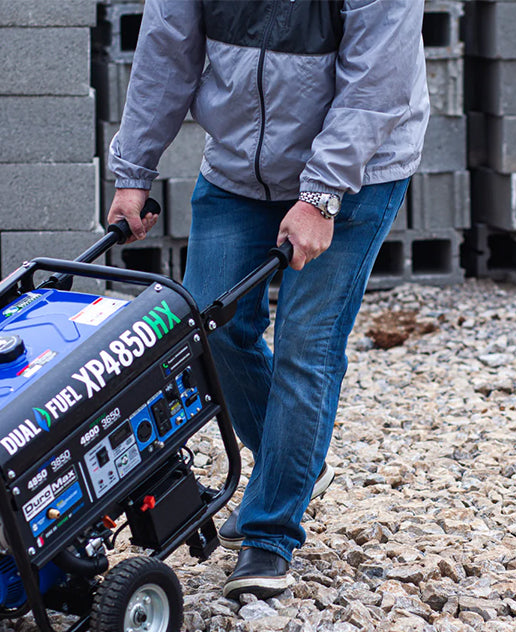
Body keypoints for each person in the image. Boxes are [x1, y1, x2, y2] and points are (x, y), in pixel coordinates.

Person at [107, 0, 430, 600]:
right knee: (208, 324)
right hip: (238, 170)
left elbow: (374, 85)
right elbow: (165, 53)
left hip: (356, 172)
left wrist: (322, 195)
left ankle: (269, 533)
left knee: (308, 344)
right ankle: (293, 464)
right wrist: (133, 172)